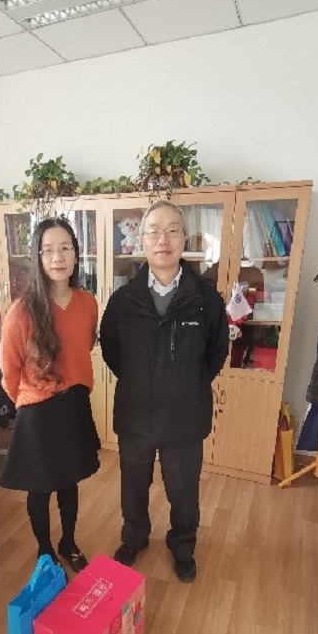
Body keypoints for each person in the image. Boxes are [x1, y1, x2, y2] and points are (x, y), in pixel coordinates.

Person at [100, 199, 229, 582]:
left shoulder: (206, 300)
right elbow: (112, 351)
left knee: (184, 493)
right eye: (154, 231)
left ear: (184, 239)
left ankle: (183, 547)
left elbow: (216, 353)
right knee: (133, 486)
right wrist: (142, 381)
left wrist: (183, 383)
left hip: (185, 417)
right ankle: (134, 538)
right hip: (135, 413)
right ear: (141, 240)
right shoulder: (123, 300)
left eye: (173, 230)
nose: (163, 239)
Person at [0, 217, 100, 573]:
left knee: (69, 481)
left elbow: (84, 345)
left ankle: (68, 542)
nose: (58, 257)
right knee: (40, 487)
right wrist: (30, 400)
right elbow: (9, 371)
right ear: (38, 258)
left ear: (76, 254)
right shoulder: (22, 311)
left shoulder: (88, 302)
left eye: (65, 248)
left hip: (74, 404)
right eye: (48, 250)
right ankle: (44, 550)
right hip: (38, 410)